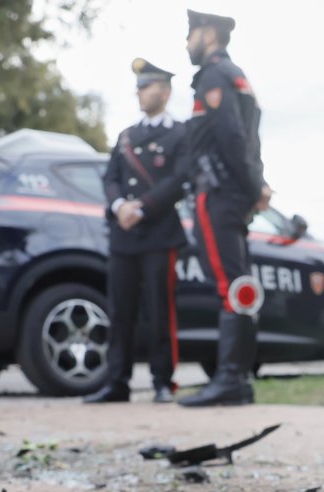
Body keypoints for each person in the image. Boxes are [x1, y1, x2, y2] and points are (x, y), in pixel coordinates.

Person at [177, 9, 271, 407]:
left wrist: (255, 185)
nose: (186, 43)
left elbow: (232, 137)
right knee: (241, 286)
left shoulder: (213, 76)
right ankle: (239, 379)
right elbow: (251, 141)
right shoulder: (237, 76)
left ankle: (230, 379)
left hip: (216, 195)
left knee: (229, 287)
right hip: (235, 194)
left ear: (208, 33)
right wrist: (257, 185)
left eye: (190, 34)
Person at [85, 58, 188, 404]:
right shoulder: (127, 135)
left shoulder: (180, 133)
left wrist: (142, 206)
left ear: (165, 90)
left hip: (159, 233)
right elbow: (111, 177)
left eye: (147, 87)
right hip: (123, 235)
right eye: (139, 88)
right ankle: (117, 382)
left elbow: (179, 180)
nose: (140, 93)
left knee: (159, 310)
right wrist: (120, 207)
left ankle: (163, 382)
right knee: (120, 310)